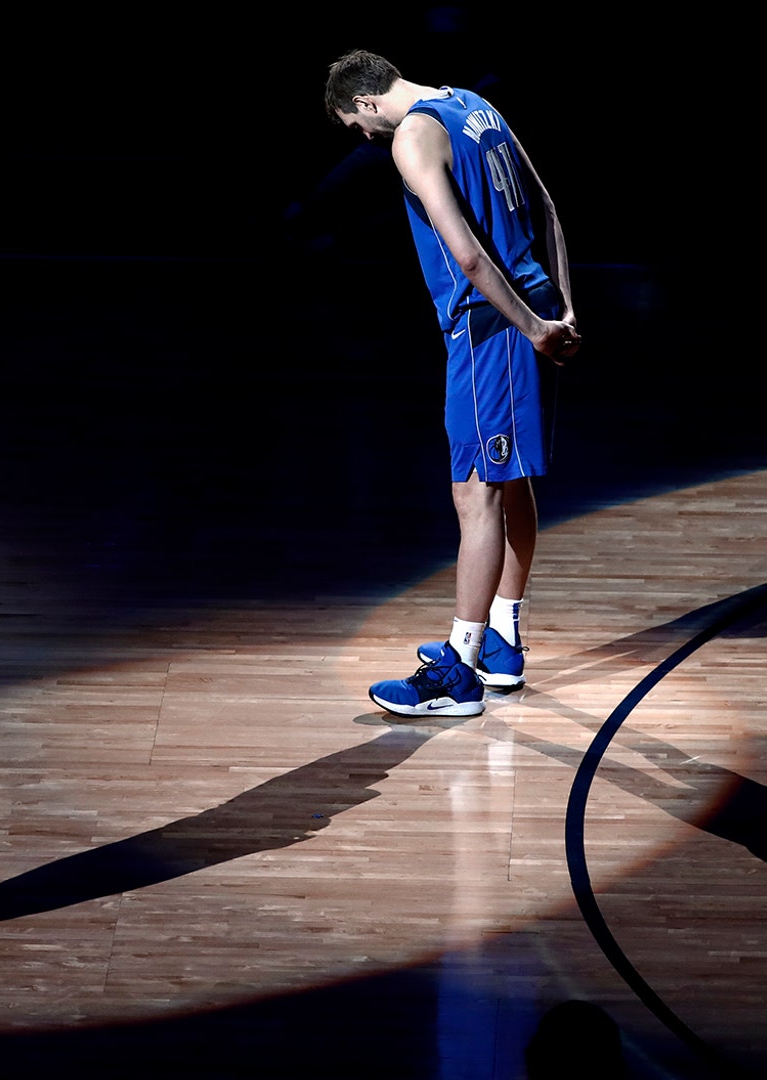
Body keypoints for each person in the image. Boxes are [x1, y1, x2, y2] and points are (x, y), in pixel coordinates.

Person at [324, 49, 580, 718]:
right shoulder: (476, 104)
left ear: (369, 101)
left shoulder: (411, 133)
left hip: (491, 327)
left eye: (356, 125)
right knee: (510, 479)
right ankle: (502, 639)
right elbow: (547, 205)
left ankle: (459, 672)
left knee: (475, 493)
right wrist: (563, 312)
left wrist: (527, 328)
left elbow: (466, 254)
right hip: (537, 304)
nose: (364, 138)